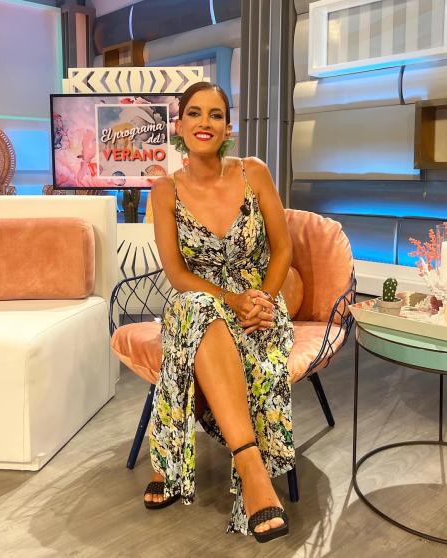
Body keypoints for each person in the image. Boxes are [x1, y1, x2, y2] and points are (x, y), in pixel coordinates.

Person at [146, 81, 295, 543]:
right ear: (179, 125)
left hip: (259, 301)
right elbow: (176, 274)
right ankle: (252, 469)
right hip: (200, 298)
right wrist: (229, 299)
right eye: (194, 113)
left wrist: (263, 299)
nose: (204, 123)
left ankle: (168, 457)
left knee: (203, 327)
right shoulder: (164, 190)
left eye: (215, 115)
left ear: (228, 128)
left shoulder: (254, 172)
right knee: (197, 309)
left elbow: (283, 249)